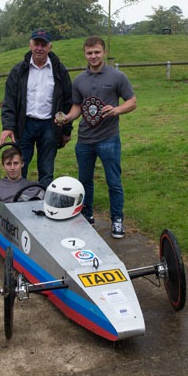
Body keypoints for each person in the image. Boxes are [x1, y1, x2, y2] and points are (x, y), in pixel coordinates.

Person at [56, 36, 137, 238]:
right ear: (85, 54)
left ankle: (117, 220)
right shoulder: (79, 80)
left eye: (97, 52)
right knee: (84, 182)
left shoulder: (118, 77)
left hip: (109, 139)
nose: (93, 56)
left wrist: (117, 110)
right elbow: (77, 106)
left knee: (113, 182)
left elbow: (132, 102)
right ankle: (86, 215)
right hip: (85, 140)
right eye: (89, 53)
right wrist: (67, 118)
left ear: (104, 52)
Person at [0, 29, 73, 187]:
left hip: (49, 126)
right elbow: (9, 100)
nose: (39, 48)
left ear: (50, 47)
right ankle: (16, 202)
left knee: (46, 170)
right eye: (36, 44)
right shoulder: (19, 71)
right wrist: (8, 126)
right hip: (24, 125)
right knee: (18, 168)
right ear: (30, 45)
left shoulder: (60, 70)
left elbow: (68, 101)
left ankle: (45, 205)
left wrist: (66, 130)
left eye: (43, 44)